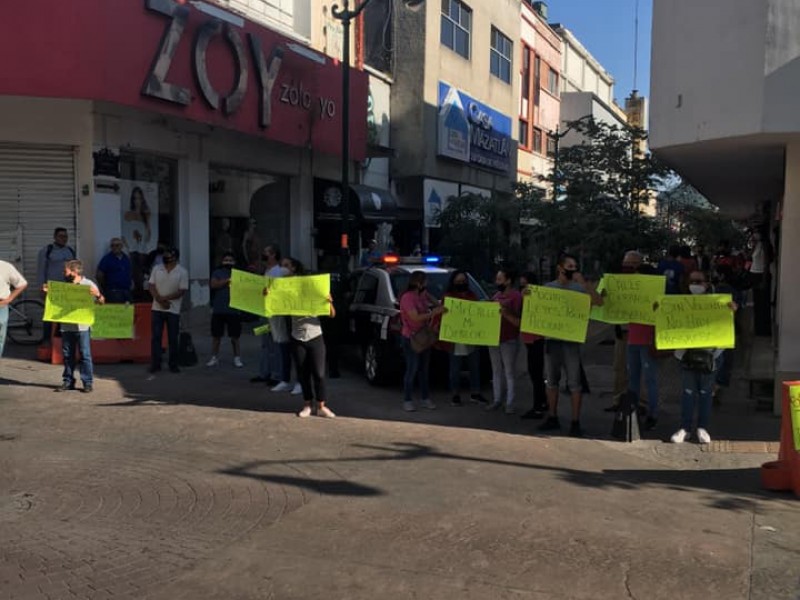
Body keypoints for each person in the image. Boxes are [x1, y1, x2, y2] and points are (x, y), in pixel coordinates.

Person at [539, 254, 604, 437]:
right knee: (551, 381)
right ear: (560, 267)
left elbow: (599, 302)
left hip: (571, 343)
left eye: (575, 266)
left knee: (575, 383)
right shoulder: (548, 288)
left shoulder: (580, 288)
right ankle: (552, 417)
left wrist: (584, 283)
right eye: (569, 265)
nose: (572, 269)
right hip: (552, 340)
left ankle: (575, 422)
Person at [669, 270, 736, 444]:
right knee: (687, 393)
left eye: (698, 281)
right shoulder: (680, 304)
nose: (695, 285)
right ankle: (685, 428)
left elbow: (725, 326)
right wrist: (659, 310)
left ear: (706, 283)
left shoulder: (717, 304)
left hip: (710, 356)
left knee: (706, 394)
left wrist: (731, 311)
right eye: (691, 281)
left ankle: (702, 428)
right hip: (686, 355)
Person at [273, 259, 337, 418]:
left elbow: (332, 314)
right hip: (297, 337)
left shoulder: (315, 293)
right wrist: (268, 295)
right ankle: (307, 405)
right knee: (303, 373)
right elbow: (273, 304)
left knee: (319, 373)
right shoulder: (288, 294)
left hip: (315, 336)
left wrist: (329, 302)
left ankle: (321, 405)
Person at [51, 260, 104, 392]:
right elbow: (55, 303)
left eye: (66, 271)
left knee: (85, 354)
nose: (63, 273)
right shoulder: (63, 286)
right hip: (67, 326)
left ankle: (87, 382)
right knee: (67, 355)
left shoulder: (88, 284)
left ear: (74, 272)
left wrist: (97, 295)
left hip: (82, 326)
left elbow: (102, 302)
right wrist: (48, 294)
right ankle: (68, 381)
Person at [399, 270, 446, 412]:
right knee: (412, 369)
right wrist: (434, 313)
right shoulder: (407, 298)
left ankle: (425, 398)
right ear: (418, 283)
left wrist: (439, 305)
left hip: (424, 336)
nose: (427, 285)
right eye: (425, 282)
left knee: (424, 370)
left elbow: (435, 301)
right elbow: (415, 317)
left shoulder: (423, 295)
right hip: (411, 337)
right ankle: (407, 399)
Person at [442, 270, 487, 406]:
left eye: (463, 281)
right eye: (458, 281)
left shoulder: (472, 295)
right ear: (453, 282)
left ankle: (475, 393)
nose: (461, 283)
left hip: (471, 338)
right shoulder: (448, 297)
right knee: (455, 368)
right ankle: (455, 395)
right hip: (455, 339)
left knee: (474, 366)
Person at [626, 263, 661, 430]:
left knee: (650, 379)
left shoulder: (657, 294)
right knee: (633, 379)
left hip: (647, 341)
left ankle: (653, 414)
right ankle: (633, 412)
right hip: (633, 339)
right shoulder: (632, 292)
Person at [486, 268, 522, 414]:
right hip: (494, 338)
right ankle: (497, 400)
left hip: (509, 339)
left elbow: (519, 319)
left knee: (509, 371)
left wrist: (505, 313)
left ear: (508, 281)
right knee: (496, 370)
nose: (497, 282)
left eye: (500, 279)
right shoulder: (496, 295)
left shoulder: (516, 296)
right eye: (497, 279)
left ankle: (510, 402)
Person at [251, 244, 287, 385]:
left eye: (266, 252)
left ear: (273, 255)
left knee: (275, 344)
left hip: (275, 313)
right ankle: (265, 372)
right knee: (265, 343)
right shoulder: (267, 271)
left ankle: (276, 374)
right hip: (265, 311)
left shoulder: (279, 272)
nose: (263, 254)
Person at [148, 246, 188, 374]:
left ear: (175, 258)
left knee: (172, 338)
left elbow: (181, 291)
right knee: (156, 338)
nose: (166, 258)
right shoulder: (156, 268)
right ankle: (156, 364)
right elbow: (151, 285)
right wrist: (159, 299)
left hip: (173, 310)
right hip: (157, 308)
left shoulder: (182, 272)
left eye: (169, 256)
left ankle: (173, 364)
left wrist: (165, 298)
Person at [37, 227, 76, 344]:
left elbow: (75, 270)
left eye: (66, 236)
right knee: (50, 315)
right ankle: (47, 339)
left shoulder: (70, 251)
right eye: (61, 236)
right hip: (52, 289)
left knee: (65, 315)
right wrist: (42, 287)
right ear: (55, 237)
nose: (64, 239)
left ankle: (61, 340)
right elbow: (41, 270)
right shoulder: (47, 251)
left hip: (67, 289)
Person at [206, 252, 244, 368]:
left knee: (235, 337)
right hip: (219, 309)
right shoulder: (217, 272)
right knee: (216, 336)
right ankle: (214, 358)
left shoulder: (239, 274)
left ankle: (237, 358)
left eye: (230, 260)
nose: (228, 262)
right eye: (226, 260)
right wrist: (227, 281)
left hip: (234, 310)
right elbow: (213, 285)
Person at [519, 271, 547, 419]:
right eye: (521, 285)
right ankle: (543, 401)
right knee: (534, 373)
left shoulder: (536, 297)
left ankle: (538, 407)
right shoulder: (523, 296)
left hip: (536, 338)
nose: (523, 288)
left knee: (536, 373)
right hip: (529, 339)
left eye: (525, 284)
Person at [0, 260, 28, 357]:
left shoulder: (5, 266)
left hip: (1, 306)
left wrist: (9, 299)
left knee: (0, 339)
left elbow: (22, 283)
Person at [96, 238, 133, 303]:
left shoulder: (126, 258)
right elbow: (99, 275)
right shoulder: (107, 259)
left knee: (128, 312)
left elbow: (130, 272)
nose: (114, 247)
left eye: (117, 245)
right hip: (113, 292)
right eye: (112, 245)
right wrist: (105, 288)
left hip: (126, 291)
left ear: (121, 246)